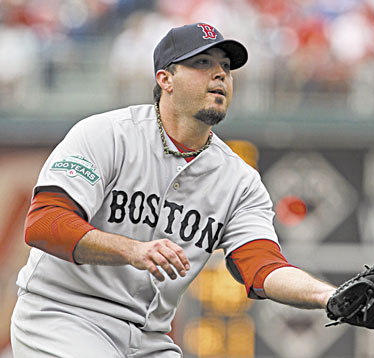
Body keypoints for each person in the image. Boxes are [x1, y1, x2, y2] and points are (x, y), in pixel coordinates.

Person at [10, 23, 336, 358]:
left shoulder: (240, 180)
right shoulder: (107, 134)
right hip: (64, 316)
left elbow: (262, 266)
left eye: (226, 66)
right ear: (165, 79)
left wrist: (330, 297)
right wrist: (132, 250)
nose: (220, 75)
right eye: (203, 64)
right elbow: (45, 223)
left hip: (149, 337)